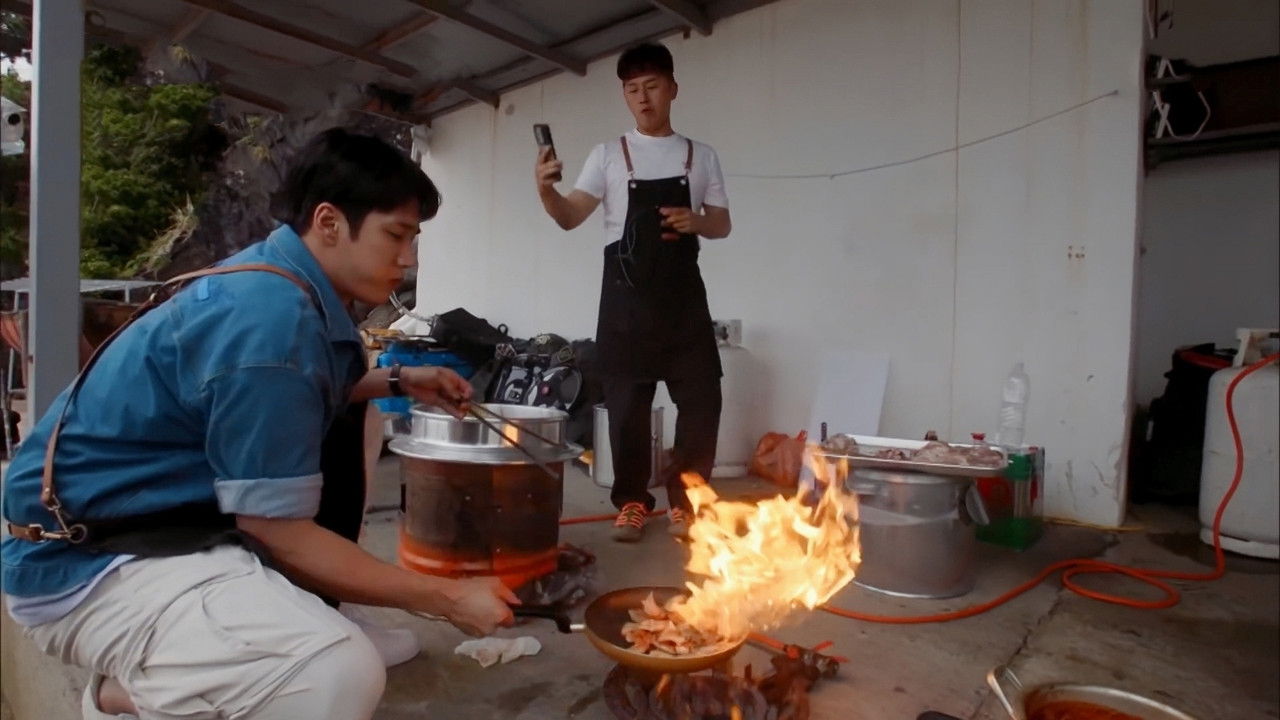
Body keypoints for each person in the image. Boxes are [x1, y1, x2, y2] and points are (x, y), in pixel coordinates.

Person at [1, 128, 517, 720]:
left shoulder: (280, 277)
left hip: (156, 527)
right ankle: (122, 699)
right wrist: (448, 597)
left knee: (357, 415)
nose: (409, 259)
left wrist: (400, 380)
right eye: (396, 236)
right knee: (337, 675)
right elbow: (278, 530)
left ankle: (297, 614)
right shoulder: (270, 322)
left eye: (414, 239)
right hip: (85, 564)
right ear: (328, 222)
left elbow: (289, 393)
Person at [534, 42, 732, 542]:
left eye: (652, 86)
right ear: (625, 96)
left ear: (673, 89)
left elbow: (722, 223)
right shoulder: (608, 155)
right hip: (625, 301)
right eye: (632, 90)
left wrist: (697, 222)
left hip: (683, 299)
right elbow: (569, 217)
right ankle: (631, 503)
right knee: (626, 408)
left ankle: (687, 503)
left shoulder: (700, 156)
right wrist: (546, 190)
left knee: (703, 398)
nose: (643, 98)